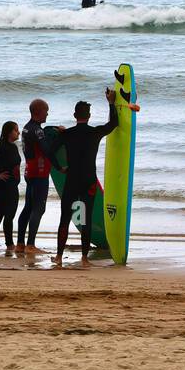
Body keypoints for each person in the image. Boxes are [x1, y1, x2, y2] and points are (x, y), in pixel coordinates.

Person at [55, 89, 117, 268]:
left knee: (65, 218)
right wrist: (111, 103)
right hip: (89, 181)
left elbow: (50, 151)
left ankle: (59, 257)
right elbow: (113, 124)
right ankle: (84, 258)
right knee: (87, 218)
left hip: (72, 180)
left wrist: (60, 168)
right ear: (89, 116)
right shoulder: (95, 133)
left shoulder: (66, 134)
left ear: (74, 115)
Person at [16, 99, 55, 253]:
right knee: (39, 208)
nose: (48, 113)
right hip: (39, 172)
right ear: (38, 112)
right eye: (46, 111)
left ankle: (20, 244)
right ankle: (30, 245)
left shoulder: (26, 128)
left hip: (29, 170)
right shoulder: (37, 130)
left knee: (28, 207)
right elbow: (47, 150)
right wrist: (60, 166)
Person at [0, 121, 22, 251]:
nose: (18, 132)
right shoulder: (1, 146)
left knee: (10, 215)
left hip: (13, 185)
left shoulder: (14, 147)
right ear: (9, 132)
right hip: (1, 185)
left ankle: (9, 243)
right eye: (16, 130)